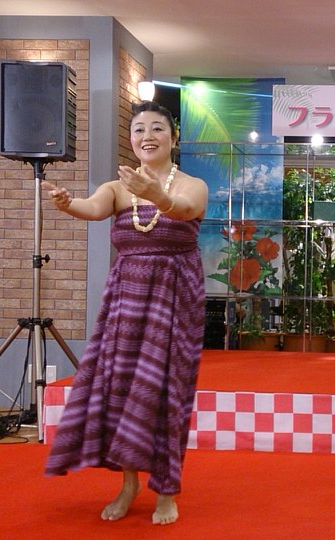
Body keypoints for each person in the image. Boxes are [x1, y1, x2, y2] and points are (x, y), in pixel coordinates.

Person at [42, 101, 208, 526]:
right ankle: (129, 483)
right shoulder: (117, 187)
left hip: (174, 297)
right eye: (138, 129)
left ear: (173, 137)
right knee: (122, 390)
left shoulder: (193, 185)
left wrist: (158, 196)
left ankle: (166, 490)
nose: (147, 136)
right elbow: (92, 208)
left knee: (164, 393)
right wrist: (67, 203)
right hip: (126, 299)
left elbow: (184, 210)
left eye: (157, 128)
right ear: (131, 139)